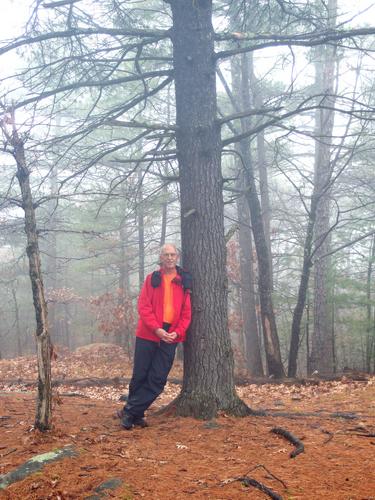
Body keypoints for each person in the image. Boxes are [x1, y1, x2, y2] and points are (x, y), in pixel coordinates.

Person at [120, 243, 192, 430]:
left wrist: (178, 332)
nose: (169, 258)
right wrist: (157, 329)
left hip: (172, 335)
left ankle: (129, 411)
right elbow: (144, 307)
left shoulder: (184, 280)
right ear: (161, 257)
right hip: (148, 333)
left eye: (173, 254)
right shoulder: (152, 279)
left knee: (158, 379)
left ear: (177, 257)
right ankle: (136, 415)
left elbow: (186, 312)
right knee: (139, 376)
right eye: (166, 254)